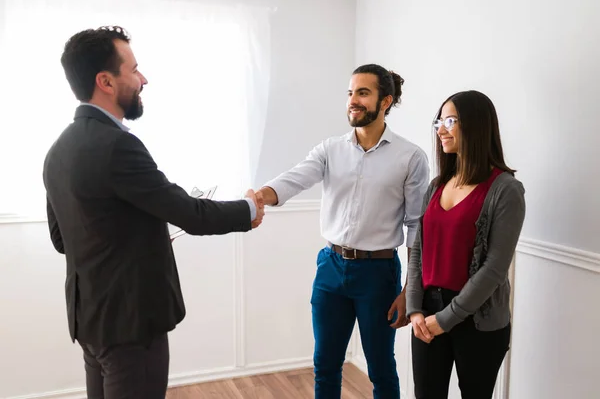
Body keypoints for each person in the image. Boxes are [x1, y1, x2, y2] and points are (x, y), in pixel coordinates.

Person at [42, 26, 264, 399]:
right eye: (134, 69)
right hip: (130, 326)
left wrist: (137, 239)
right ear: (106, 82)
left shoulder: (57, 150)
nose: (144, 79)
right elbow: (188, 213)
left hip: (90, 323)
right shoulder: (118, 146)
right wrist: (248, 209)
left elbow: (63, 239)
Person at [257, 64, 430, 398]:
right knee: (325, 364)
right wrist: (259, 196)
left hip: (378, 274)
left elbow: (416, 228)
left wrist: (411, 291)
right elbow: (296, 178)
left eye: (363, 93)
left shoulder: (410, 158)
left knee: (380, 367)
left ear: (385, 101)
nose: (353, 100)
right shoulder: (329, 149)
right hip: (330, 269)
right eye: (351, 93)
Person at [405, 90, 526, 399]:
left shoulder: (506, 190)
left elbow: (495, 268)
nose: (441, 129)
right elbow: (418, 250)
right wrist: (414, 309)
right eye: (439, 121)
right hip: (427, 313)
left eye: (450, 120)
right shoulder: (437, 185)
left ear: (476, 125)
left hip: (479, 319)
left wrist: (447, 319)